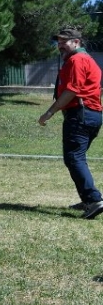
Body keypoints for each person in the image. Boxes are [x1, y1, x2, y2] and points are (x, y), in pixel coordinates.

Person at [38, 27, 103, 219]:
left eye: (64, 41)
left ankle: (93, 200)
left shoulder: (77, 60)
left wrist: (49, 112)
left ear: (77, 42)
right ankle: (87, 199)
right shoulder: (86, 60)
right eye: (58, 42)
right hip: (90, 114)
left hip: (80, 113)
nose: (60, 45)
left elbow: (72, 90)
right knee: (77, 157)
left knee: (74, 157)